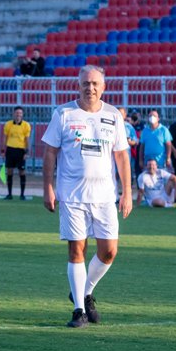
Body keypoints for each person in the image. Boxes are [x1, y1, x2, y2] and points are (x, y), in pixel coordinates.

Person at [41, 66, 132, 328]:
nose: (90, 88)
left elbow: (121, 156)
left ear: (103, 87)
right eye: (85, 83)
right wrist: (48, 187)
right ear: (78, 85)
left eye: (94, 84)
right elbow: (50, 152)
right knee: (76, 249)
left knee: (109, 251)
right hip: (72, 194)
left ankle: (84, 291)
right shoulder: (63, 113)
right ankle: (79, 310)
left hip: (105, 196)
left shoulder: (113, 115)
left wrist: (127, 192)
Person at [0, 106, 32, 200]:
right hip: (10, 150)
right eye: (17, 113)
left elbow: (27, 140)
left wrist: (27, 152)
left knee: (22, 172)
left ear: (22, 115)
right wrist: (3, 151)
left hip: (21, 151)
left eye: (20, 113)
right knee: (9, 171)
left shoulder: (26, 125)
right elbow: (5, 138)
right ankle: (9, 194)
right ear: (14, 114)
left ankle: (22, 195)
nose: (18, 115)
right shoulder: (8, 124)